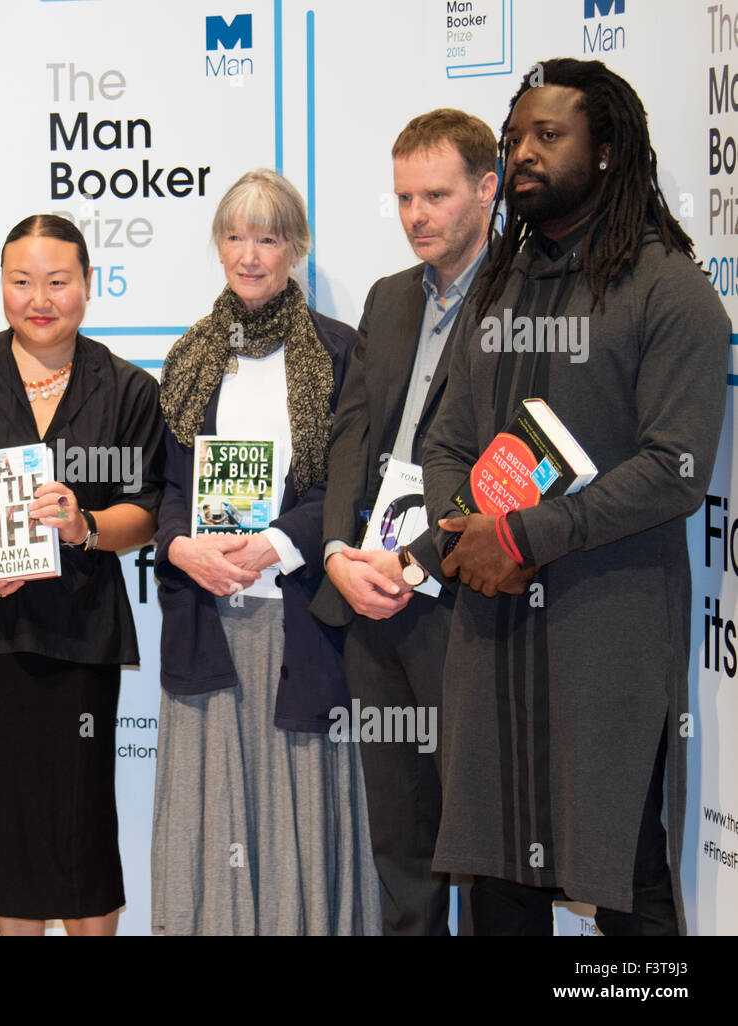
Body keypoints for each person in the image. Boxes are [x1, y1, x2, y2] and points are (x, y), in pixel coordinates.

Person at [422, 58, 730, 935]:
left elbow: (674, 467)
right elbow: (444, 439)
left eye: (547, 136)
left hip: (607, 635)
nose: (521, 153)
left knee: (626, 887)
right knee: (495, 883)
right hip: (490, 629)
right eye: (515, 136)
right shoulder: (496, 280)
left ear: (606, 153)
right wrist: (469, 535)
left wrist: (521, 537)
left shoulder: (669, 288)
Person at [0, 214, 163, 936]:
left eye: (58, 281)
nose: (39, 298)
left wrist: (86, 526)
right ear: (1, 286)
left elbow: (143, 513)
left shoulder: (126, 388)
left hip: (81, 632)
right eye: (21, 282)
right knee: (6, 825)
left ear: (89, 284)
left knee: (82, 827)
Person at [151, 168, 380, 935]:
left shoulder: (340, 353)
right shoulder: (190, 357)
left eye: (268, 237)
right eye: (236, 236)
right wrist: (183, 549)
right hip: (209, 618)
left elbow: (347, 488)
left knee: (301, 811)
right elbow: (169, 485)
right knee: (210, 815)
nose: (250, 254)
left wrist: (276, 544)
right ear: (219, 245)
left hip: (300, 622)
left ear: (295, 248)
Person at [312, 109, 498, 935]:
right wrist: (336, 553)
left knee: (487, 833)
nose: (416, 214)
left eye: (436, 195)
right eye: (403, 198)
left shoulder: (528, 301)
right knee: (398, 833)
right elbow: (353, 436)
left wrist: (417, 562)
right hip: (369, 589)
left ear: (488, 190)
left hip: (465, 598)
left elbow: (513, 463)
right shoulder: (389, 300)